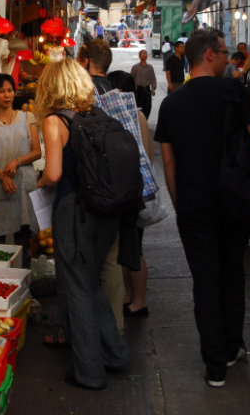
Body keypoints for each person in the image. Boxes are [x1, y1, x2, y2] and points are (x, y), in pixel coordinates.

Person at [155, 28, 250, 387]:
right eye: (223, 53)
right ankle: (232, 346)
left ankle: (214, 367)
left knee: (205, 280)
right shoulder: (233, 92)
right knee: (231, 271)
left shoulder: (171, 103)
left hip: (194, 204)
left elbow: (168, 161)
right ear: (209, 54)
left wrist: (180, 204)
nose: (229, 59)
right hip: (235, 198)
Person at [35, 58, 132, 390]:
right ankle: (116, 355)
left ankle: (89, 372)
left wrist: (40, 182)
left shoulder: (54, 120)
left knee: (75, 288)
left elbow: (53, 174)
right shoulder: (97, 113)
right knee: (89, 284)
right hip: (108, 210)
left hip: (74, 211)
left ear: (49, 87)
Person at [0, 74, 41, 264]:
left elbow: (37, 152)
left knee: (25, 248)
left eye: (10, 90)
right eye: (1, 91)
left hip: (23, 188)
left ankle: (25, 288)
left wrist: (17, 161)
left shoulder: (28, 117)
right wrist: (2, 176)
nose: (7, 95)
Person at [105, 70, 156, 317]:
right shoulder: (133, 115)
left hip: (134, 192)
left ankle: (140, 301)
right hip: (132, 190)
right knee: (127, 246)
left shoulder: (133, 116)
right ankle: (129, 295)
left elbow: (145, 155)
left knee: (135, 248)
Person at [130, 49, 158, 118]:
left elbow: (153, 78)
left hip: (147, 90)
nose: (144, 55)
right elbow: (131, 79)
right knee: (139, 107)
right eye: (142, 54)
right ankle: (140, 121)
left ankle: (145, 120)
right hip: (139, 90)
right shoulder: (135, 67)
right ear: (139, 56)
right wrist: (132, 90)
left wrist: (153, 89)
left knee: (148, 107)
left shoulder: (150, 67)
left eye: (145, 54)